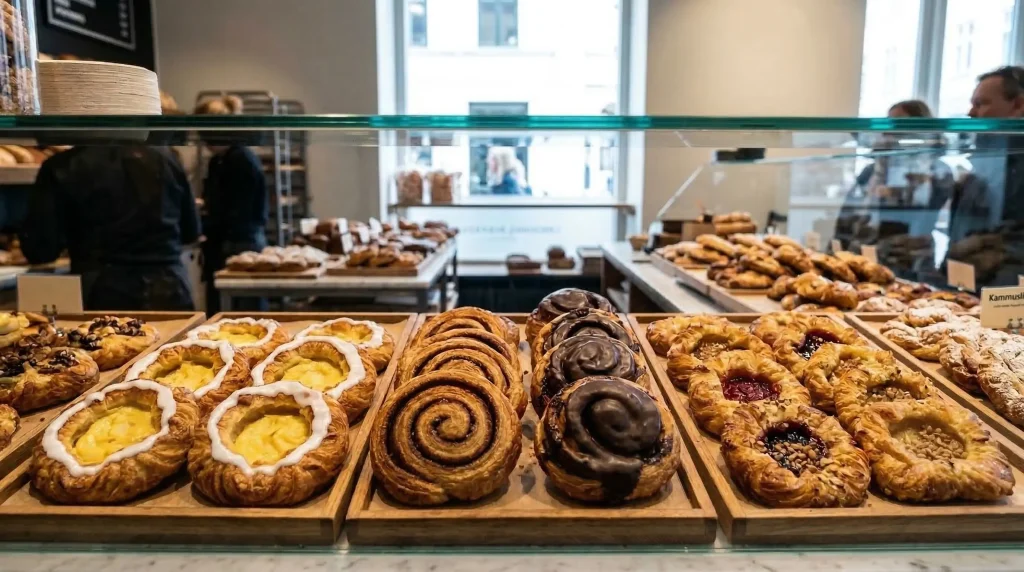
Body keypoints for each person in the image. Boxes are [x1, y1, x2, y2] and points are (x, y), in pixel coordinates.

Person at [20, 145, 200, 311]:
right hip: (169, 287)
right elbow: (191, 232)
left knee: (107, 344)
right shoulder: (166, 158)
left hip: (102, 291)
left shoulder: (63, 165)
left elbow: (41, 250)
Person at [943, 66, 1024, 286]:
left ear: (1018, 105)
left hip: (1006, 294)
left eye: (981, 104)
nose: (971, 113)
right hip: (970, 288)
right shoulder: (986, 161)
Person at [196, 95, 269, 312]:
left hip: (240, 245)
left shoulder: (240, 160)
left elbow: (238, 213)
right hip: (231, 243)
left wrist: (205, 221)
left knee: (243, 316)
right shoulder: (221, 160)